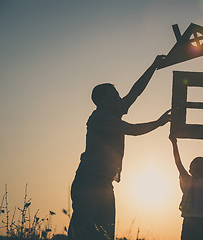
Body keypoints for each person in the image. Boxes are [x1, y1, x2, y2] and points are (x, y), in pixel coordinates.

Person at [68, 55, 170, 240]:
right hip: (89, 183)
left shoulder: (113, 110)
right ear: (103, 100)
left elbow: (135, 92)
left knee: (105, 234)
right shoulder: (100, 118)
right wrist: (159, 123)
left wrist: (154, 66)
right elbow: (132, 130)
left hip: (104, 183)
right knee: (81, 234)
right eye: (115, 96)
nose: (119, 98)